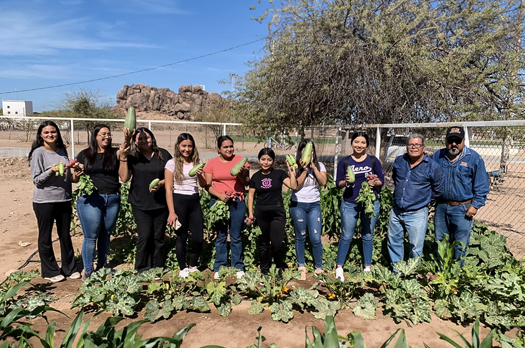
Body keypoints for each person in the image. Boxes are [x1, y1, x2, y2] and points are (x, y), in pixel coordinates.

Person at [28, 121, 80, 283]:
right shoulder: (38, 153)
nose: (50, 135)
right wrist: (51, 170)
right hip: (44, 201)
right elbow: (37, 180)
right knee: (45, 236)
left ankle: (69, 268)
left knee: (65, 235)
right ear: (41, 135)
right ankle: (50, 271)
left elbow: (68, 178)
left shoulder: (62, 151)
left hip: (64, 199)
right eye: (46, 133)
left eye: (53, 132)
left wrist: (77, 173)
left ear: (57, 133)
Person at [72, 124, 125, 280]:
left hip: (112, 198)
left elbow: (123, 170)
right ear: (95, 136)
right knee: (91, 236)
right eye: (103, 134)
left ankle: (102, 266)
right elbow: (75, 179)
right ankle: (88, 271)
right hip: (91, 200)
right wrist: (76, 173)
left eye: (109, 134)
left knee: (105, 235)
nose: (107, 137)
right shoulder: (85, 154)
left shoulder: (115, 153)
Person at [431, 127, 489, 262]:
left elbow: (482, 185)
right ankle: (442, 272)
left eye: (457, 141)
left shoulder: (473, 158)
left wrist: (475, 205)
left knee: (460, 243)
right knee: (440, 241)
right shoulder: (437, 157)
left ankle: (457, 273)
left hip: (462, 208)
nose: (454, 144)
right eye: (451, 141)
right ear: (446, 141)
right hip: (441, 207)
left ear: (463, 141)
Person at [119, 127, 172, 274]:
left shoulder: (164, 154)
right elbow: (124, 178)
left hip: (161, 203)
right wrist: (123, 157)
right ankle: (142, 268)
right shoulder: (133, 156)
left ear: (152, 138)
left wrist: (161, 183)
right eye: (140, 139)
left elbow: (171, 176)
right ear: (135, 142)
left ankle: (157, 268)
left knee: (158, 237)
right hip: (140, 203)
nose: (144, 140)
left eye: (147, 137)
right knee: (145, 235)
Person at [387, 134, 444, 269]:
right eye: (411, 144)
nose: (413, 147)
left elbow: (438, 189)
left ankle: (411, 273)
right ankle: (397, 270)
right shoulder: (400, 161)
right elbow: (396, 179)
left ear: (423, 148)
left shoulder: (433, 167)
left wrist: (422, 200)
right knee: (394, 242)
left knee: (415, 246)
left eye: (417, 145)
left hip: (417, 213)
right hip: (397, 211)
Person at [335, 132, 384, 281]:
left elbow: (381, 181)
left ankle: (367, 267)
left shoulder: (374, 161)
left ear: (367, 145)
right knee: (346, 236)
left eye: (363, 143)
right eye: (356, 142)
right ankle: (339, 268)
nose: (359, 145)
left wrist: (374, 182)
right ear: (352, 143)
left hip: (370, 203)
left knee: (368, 236)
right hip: (350, 203)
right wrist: (346, 181)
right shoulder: (345, 161)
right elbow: (338, 184)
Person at [204, 136, 250, 280]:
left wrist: (242, 173)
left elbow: (246, 182)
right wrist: (219, 195)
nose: (229, 149)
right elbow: (207, 185)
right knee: (221, 236)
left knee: (236, 236)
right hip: (218, 203)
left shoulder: (241, 161)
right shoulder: (211, 164)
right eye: (225, 147)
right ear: (218, 149)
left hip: (237, 201)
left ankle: (238, 266)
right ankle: (220, 266)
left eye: (231, 146)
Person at [247, 148, 297, 278]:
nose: (266, 162)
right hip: (261, 214)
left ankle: (279, 270)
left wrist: (291, 171)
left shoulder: (279, 174)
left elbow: (293, 186)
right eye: (263, 159)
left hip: (277, 214)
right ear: (259, 160)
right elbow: (251, 196)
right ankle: (264, 271)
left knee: (277, 244)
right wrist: (251, 214)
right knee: (263, 244)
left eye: (269, 160)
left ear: (273, 161)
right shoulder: (255, 177)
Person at [165, 133, 207, 278]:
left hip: (194, 200)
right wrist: (171, 212)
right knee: (181, 236)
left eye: (189, 146)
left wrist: (201, 173)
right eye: (184, 146)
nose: (187, 149)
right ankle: (183, 268)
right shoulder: (171, 163)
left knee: (198, 237)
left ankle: (193, 265)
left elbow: (203, 184)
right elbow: (168, 189)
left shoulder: (197, 161)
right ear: (178, 146)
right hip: (179, 201)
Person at [289, 139, 327, 280]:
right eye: (304, 151)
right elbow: (296, 186)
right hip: (298, 204)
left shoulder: (320, 165)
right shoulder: (294, 166)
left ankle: (319, 268)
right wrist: (304, 170)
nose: (307, 154)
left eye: (310, 151)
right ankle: (301, 266)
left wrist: (313, 167)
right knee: (301, 236)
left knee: (316, 237)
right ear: (300, 152)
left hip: (314, 205)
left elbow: (323, 182)